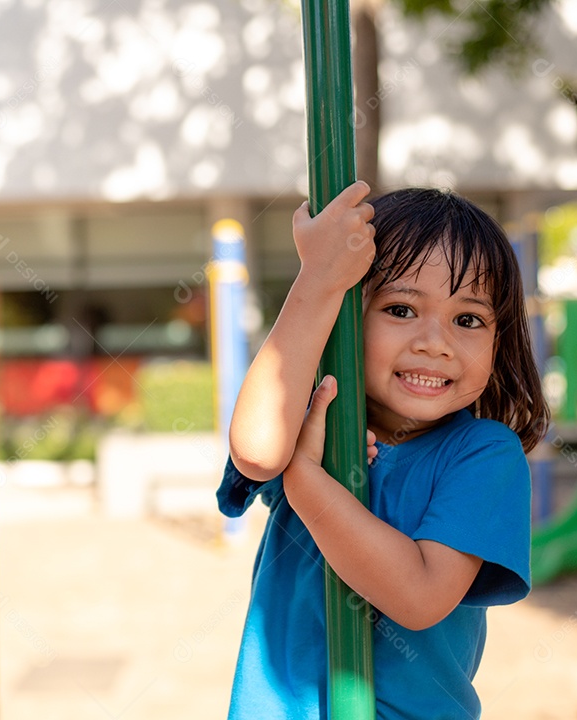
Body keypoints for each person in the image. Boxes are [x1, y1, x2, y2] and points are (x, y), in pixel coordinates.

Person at [218, 181, 550, 719]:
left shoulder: (483, 455)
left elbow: (419, 596)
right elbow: (256, 452)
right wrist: (319, 281)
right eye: (400, 309)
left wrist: (306, 482)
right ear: (348, 319)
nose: (434, 342)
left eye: (467, 320)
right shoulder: (314, 427)